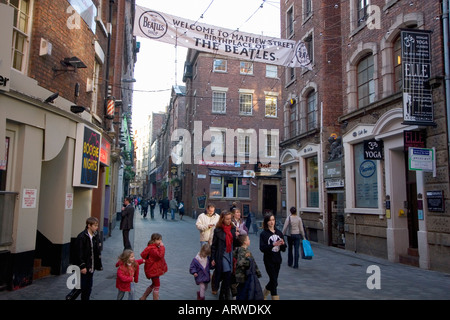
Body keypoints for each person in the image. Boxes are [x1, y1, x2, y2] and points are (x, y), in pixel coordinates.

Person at [66, 217, 103, 300]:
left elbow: (96, 251)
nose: (97, 227)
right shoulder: (82, 237)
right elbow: (79, 253)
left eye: (97, 225)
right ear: (89, 225)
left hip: (91, 266)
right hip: (84, 266)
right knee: (81, 286)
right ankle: (70, 297)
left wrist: (97, 264)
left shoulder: (96, 235)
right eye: (95, 225)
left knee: (88, 287)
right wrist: (82, 266)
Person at [211, 211, 238, 300]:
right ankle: (226, 296)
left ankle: (222, 295)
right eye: (227, 219)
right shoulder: (218, 230)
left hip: (230, 254)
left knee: (228, 276)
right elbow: (214, 246)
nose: (229, 221)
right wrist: (213, 258)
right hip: (222, 255)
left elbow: (235, 243)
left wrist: (237, 237)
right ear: (222, 219)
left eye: (230, 219)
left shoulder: (233, 229)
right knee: (226, 273)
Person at [259, 214, 286, 300]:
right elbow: (262, 248)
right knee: (274, 281)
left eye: (273, 220)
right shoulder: (264, 234)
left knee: (274, 281)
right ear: (266, 222)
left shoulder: (279, 233)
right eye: (270, 220)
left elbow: (284, 249)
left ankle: (264, 293)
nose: (272, 222)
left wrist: (282, 244)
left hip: (277, 260)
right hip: (268, 260)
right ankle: (274, 297)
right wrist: (272, 245)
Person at [234, 234, 263, 300]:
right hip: (244, 276)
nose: (249, 240)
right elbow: (240, 262)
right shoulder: (243, 251)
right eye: (248, 239)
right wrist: (249, 261)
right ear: (245, 242)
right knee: (244, 292)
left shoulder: (242, 250)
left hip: (243, 276)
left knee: (243, 291)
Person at [140, 233, 168, 300]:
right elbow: (160, 255)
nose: (160, 241)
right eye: (158, 240)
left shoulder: (153, 247)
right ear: (154, 240)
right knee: (157, 286)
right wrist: (162, 247)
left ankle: (143, 297)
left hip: (154, 269)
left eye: (161, 239)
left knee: (154, 284)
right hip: (153, 270)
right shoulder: (153, 249)